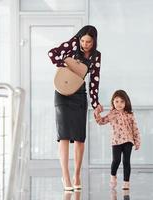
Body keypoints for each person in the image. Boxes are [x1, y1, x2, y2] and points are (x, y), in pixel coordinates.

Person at [48, 25, 103, 191]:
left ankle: (77, 174)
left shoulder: (96, 56)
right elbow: (52, 53)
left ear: (94, 42)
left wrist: (95, 103)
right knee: (63, 135)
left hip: (79, 93)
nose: (85, 44)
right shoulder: (71, 45)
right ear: (79, 39)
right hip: (62, 92)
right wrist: (66, 66)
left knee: (80, 137)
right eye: (83, 41)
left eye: (89, 42)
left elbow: (94, 80)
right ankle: (65, 176)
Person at [94, 90, 141, 190]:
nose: (119, 104)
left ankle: (126, 182)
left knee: (126, 161)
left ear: (126, 102)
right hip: (116, 141)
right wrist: (97, 113)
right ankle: (113, 176)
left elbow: (135, 128)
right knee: (116, 160)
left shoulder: (130, 114)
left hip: (128, 141)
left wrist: (137, 141)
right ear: (113, 102)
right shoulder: (111, 114)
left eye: (122, 101)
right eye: (117, 101)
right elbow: (101, 121)